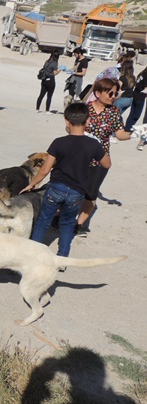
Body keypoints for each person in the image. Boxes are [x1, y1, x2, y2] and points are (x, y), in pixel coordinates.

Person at [21, 103, 108, 260]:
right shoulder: (94, 145)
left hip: (55, 188)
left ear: (67, 121)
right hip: (77, 192)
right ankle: (62, 259)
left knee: (43, 222)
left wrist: (32, 184)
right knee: (67, 225)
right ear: (88, 121)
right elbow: (107, 163)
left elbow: (45, 169)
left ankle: (31, 256)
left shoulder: (58, 142)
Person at [75, 78, 131, 237]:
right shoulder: (85, 109)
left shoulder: (114, 112)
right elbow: (70, 127)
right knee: (72, 188)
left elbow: (120, 134)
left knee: (91, 192)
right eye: (110, 93)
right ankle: (59, 217)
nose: (114, 96)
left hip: (101, 158)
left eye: (116, 93)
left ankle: (79, 225)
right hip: (79, 156)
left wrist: (136, 135)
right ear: (98, 93)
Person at [124, 66, 147, 133]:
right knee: (136, 114)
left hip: (135, 94)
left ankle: (127, 128)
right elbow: (146, 89)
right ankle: (129, 129)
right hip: (140, 96)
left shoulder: (142, 73)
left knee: (132, 113)